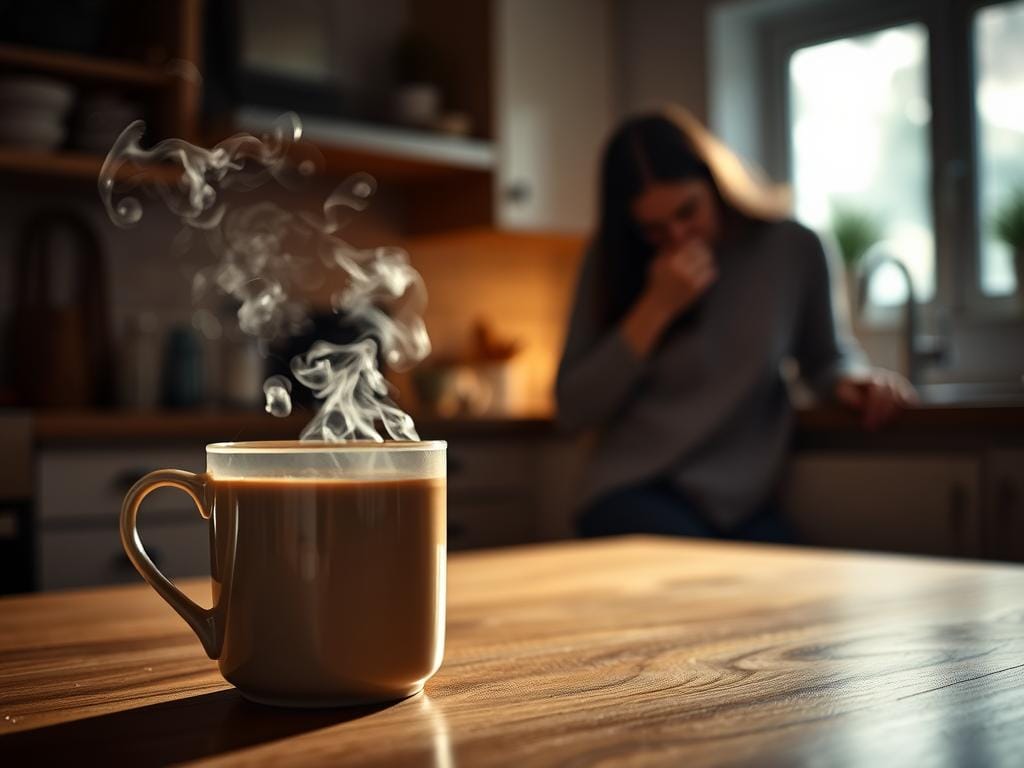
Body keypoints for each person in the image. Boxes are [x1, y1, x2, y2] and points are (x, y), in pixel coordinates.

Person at [556, 106, 916, 543]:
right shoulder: (610, 261)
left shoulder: (793, 248)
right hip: (630, 492)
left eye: (688, 212)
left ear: (718, 184)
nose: (678, 237)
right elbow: (572, 409)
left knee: (797, 577)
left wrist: (855, 382)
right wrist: (655, 309)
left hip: (740, 507)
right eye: (654, 229)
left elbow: (824, 360)